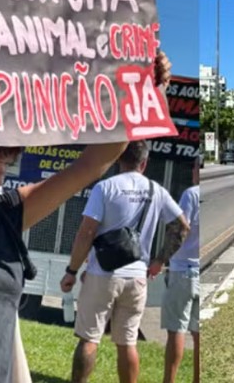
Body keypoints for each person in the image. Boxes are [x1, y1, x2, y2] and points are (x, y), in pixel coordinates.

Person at [0, 0, 164, 383]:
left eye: (9, 150)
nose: (3, 160)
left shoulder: (8, 215)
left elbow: (93, 163)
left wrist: (140, 89)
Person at [60, 140, 190, 383]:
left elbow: (86, 232)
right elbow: (182, 226)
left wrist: (72, 271)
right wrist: (160, 260)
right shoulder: (156, 190)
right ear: (145, 162)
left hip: (103, 273)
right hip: (137, 276)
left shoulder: (105, 188)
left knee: (89, 339)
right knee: (128, 342)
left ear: (119, 158)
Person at [162, 156, 201, 383]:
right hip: (200, 269)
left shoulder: (191, 194)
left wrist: (163, 257)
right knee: (198, 335)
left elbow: (181, 228)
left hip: (182, 269)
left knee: (176, 330)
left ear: (196, 169)